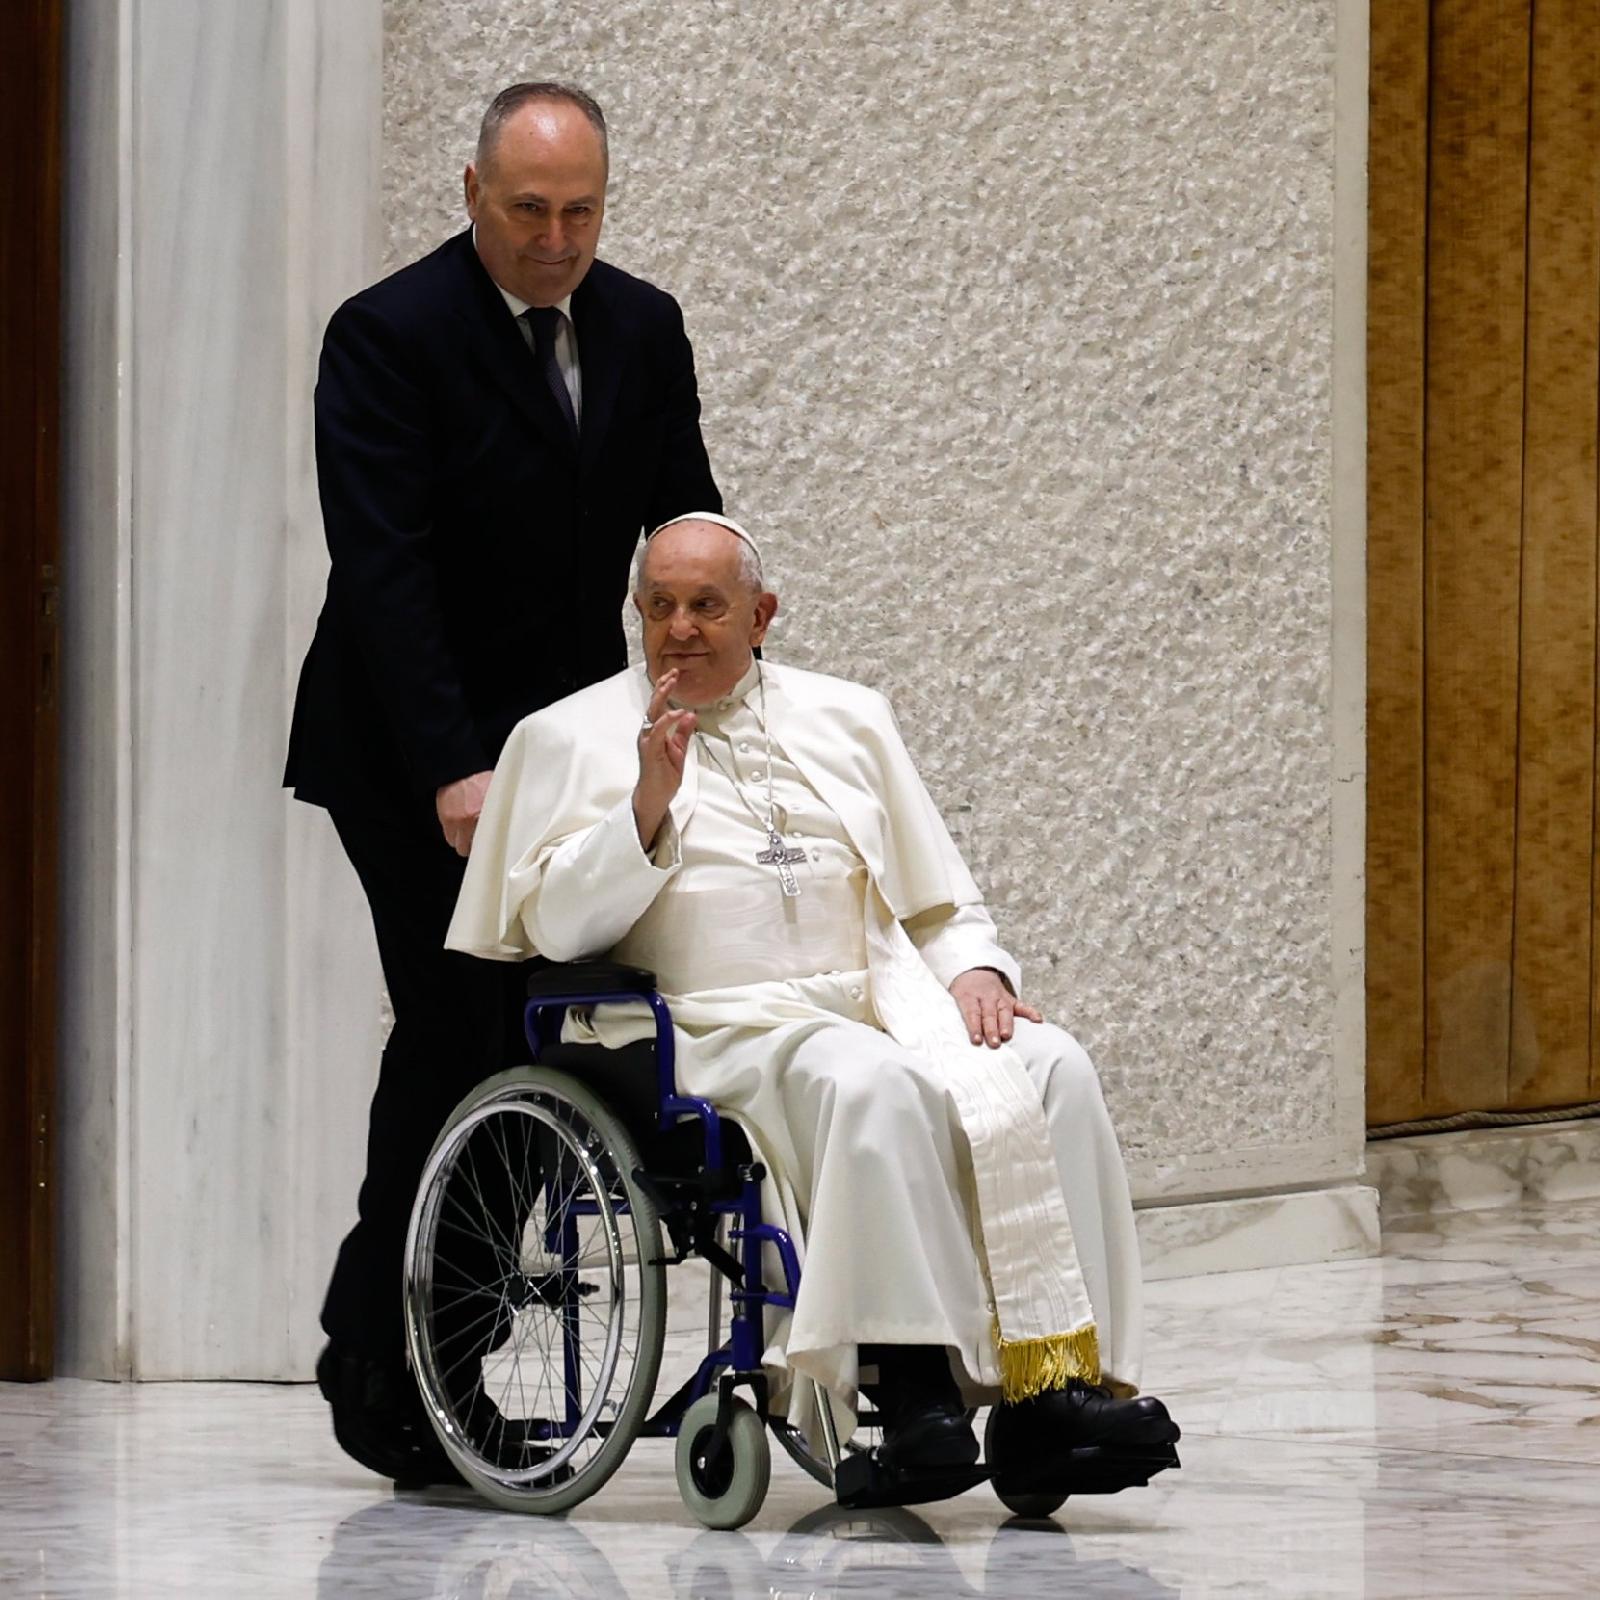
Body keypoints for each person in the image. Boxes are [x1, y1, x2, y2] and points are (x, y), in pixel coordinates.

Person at [448, 514, 1180, 1495]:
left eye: (707, 605)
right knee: (869, 1081)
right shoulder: (568, 737)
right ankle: (903, 1380)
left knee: (1050, 1066)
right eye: (657, 606)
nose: (680, 628)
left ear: (763, 614)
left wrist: (974, 971)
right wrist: (644, 806)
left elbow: (937, 896)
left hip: (875, 996)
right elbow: (552, 925)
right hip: (710, 1026)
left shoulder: (849, 717)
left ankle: (1054, 1389)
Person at [284, 81, 721, 1484]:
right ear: (473, 195)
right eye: (528, 211)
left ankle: (405, 1348)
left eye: (581, 212)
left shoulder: (641, 327)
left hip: (565, 744)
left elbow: (686, 520)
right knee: (463, 1020)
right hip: (414, 749)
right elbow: (385, 573)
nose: (555, 241)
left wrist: (722, 680)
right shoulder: (388, 337)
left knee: (528, 1035)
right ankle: (399, 1366)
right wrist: (453, 770)